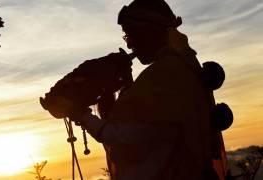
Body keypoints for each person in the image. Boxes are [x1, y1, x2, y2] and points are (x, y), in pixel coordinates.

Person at [72, 1, 225, 179]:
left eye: (131, 35)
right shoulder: (185, 65)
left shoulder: (164, 74)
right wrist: (127, 88)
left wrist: (79, 113)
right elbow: (156, 132)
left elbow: (120, 138)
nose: (129, 45)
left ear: (149, 32)